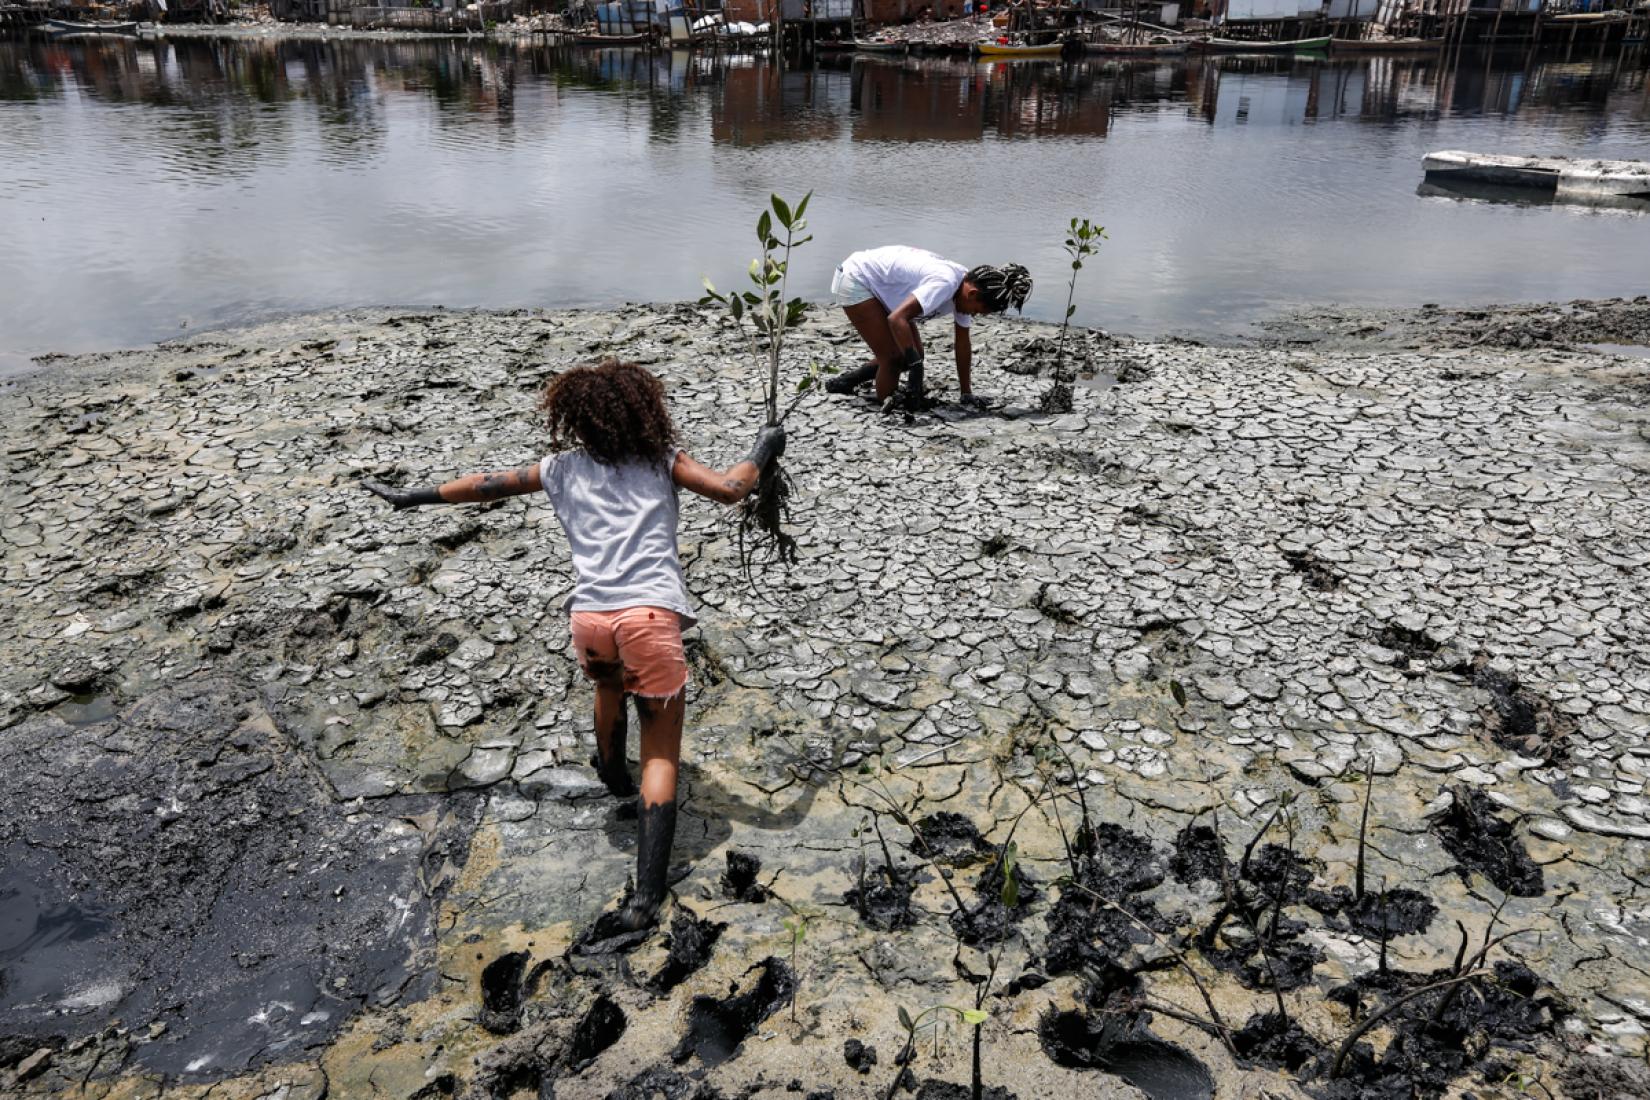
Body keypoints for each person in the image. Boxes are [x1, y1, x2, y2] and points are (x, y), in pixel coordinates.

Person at [363, 360, 785, 931]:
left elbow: (488, 486)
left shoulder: (559, 468)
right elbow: (732, 490)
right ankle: (644, 901)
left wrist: (412, 497)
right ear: (645, 412)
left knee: (608, 686)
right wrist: (763, 447)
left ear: (575, 420)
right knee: (661, 754)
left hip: (590, 620)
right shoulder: (661, 460)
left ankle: (610, 770)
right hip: (649, 619)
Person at [824, 246, 1032, 410]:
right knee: (894, 357)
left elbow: (962, 343)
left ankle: (846, 382)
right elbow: (897, 319)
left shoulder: (964, 288)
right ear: (973, 294)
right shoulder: (945, 283)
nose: (974, 315)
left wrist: (966, 392)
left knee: (915, 354)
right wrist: (916, 366)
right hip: (857, 278)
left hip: (882, 288)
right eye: (977, 311)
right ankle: (886, 403)